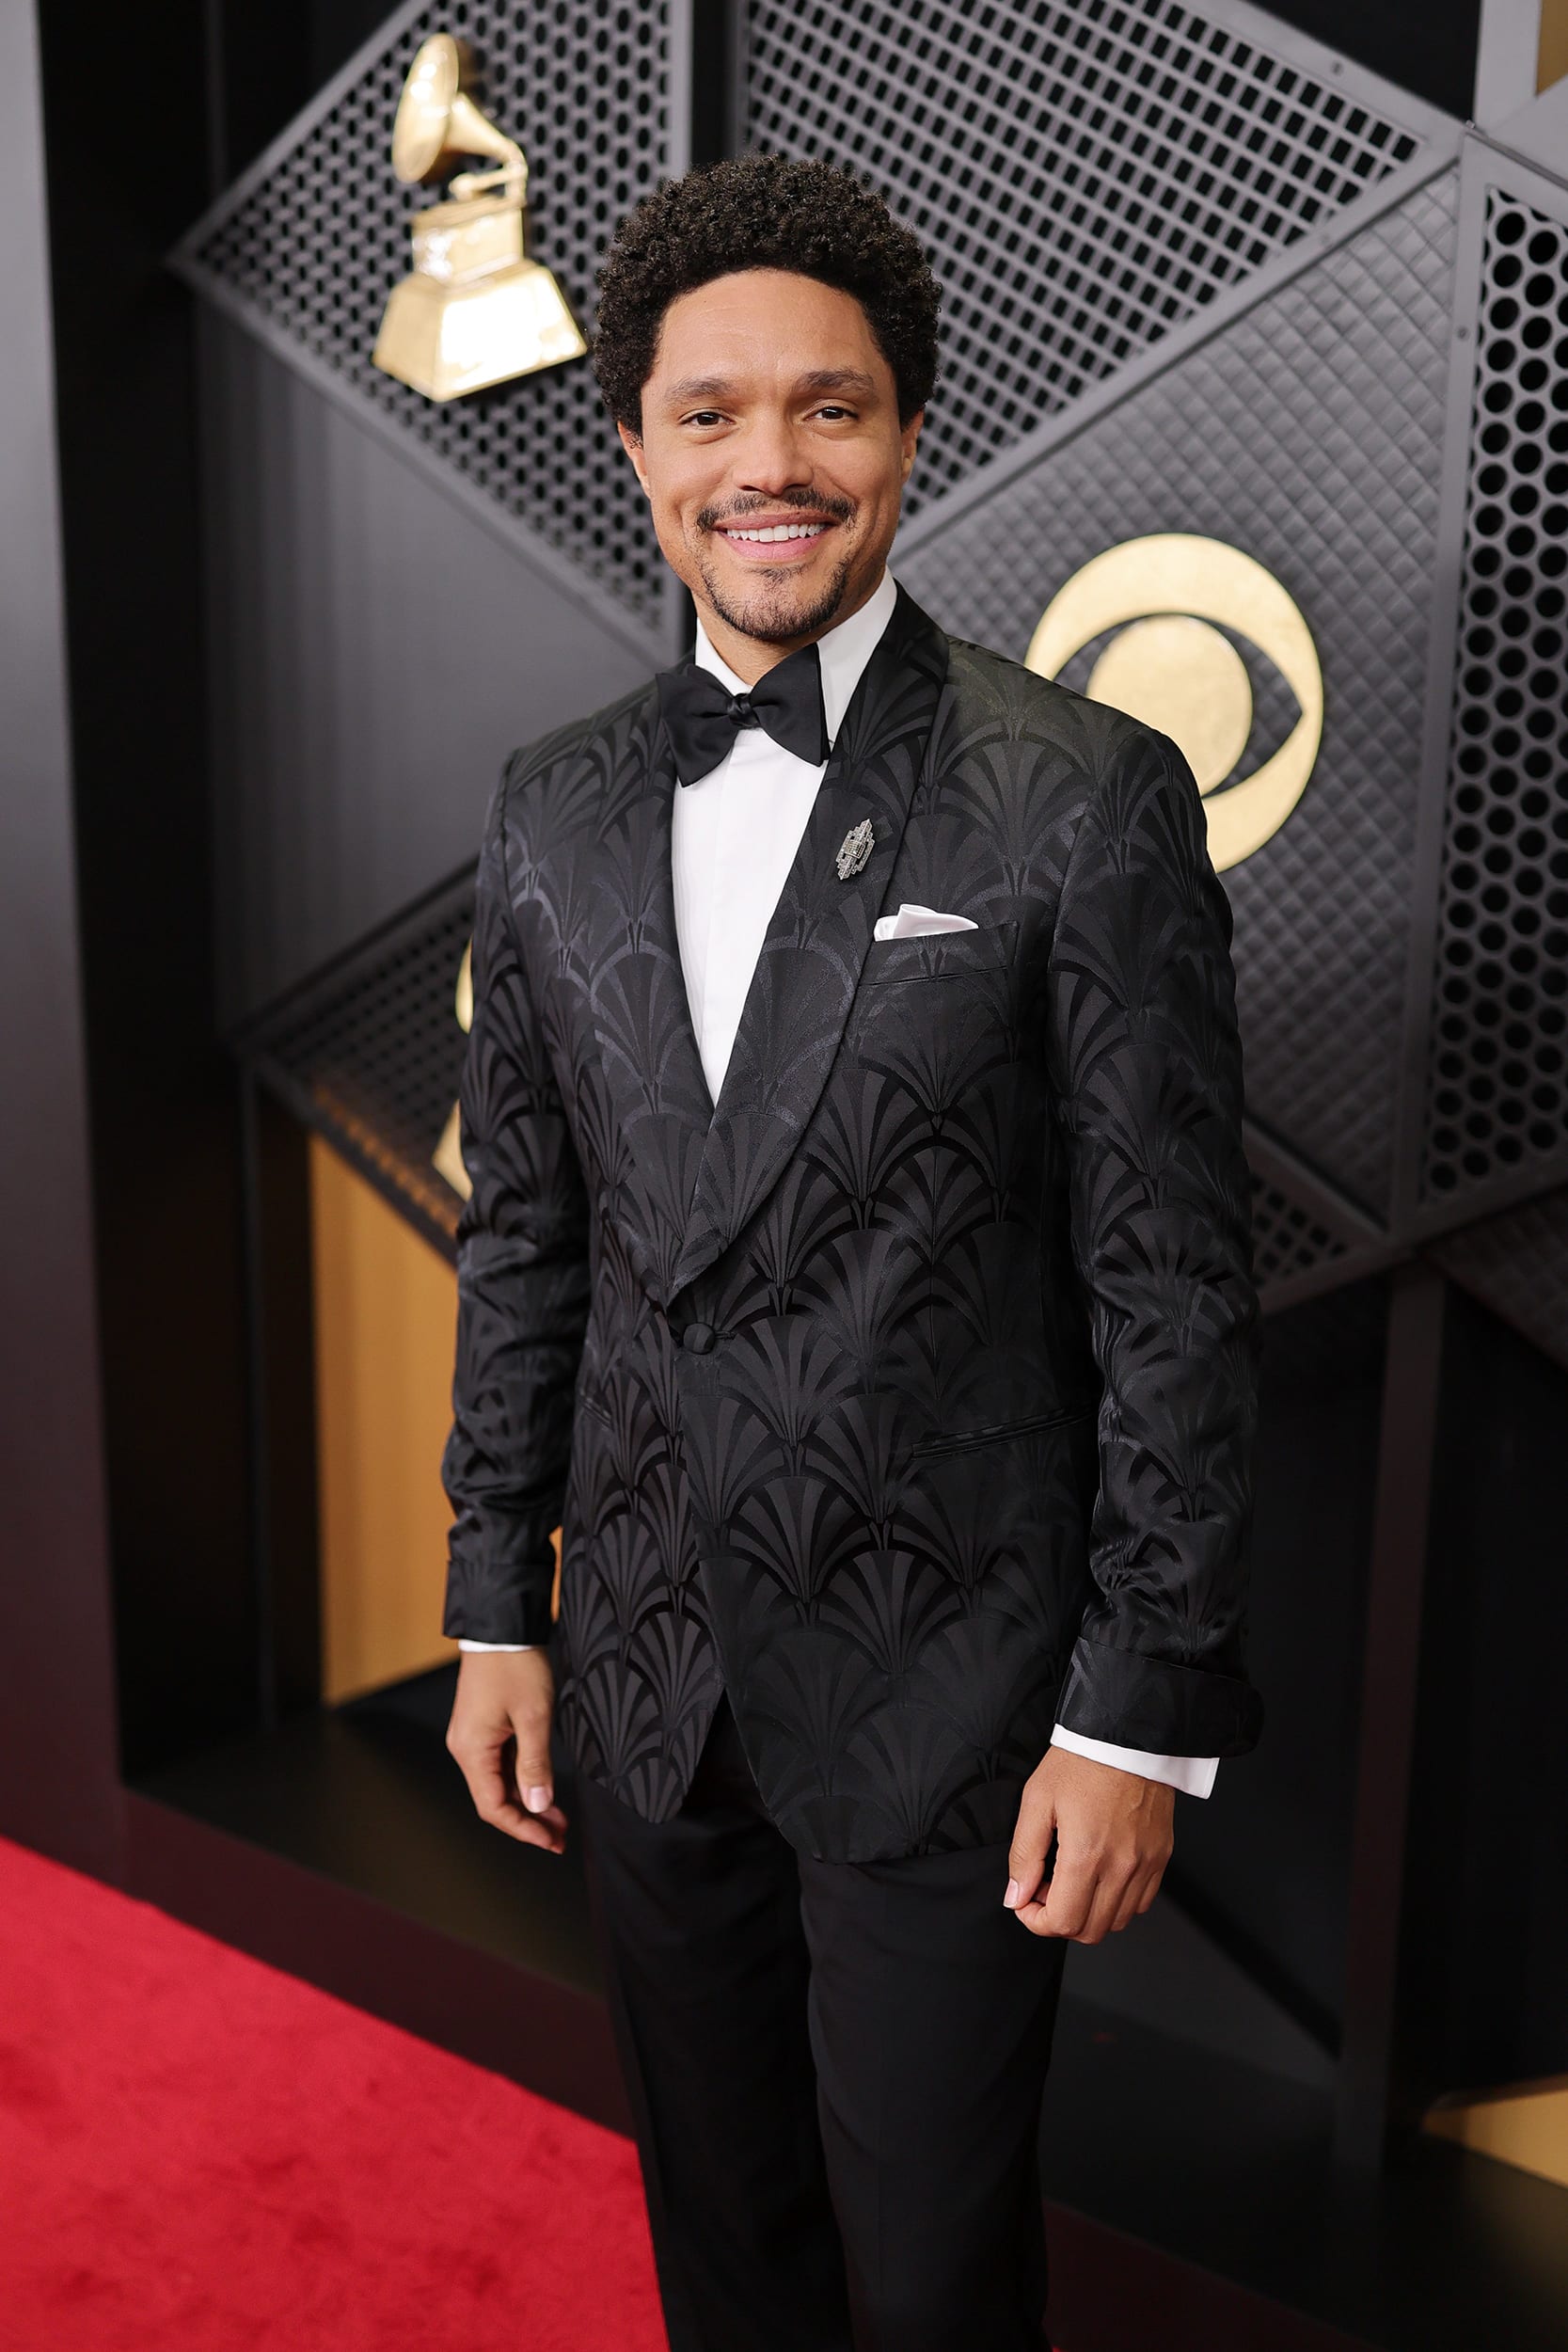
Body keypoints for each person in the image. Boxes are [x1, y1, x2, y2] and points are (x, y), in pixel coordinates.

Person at [441, 151, 1262, 2352]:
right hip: (634, 1662)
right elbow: (527, 1225)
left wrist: (1140, 1711)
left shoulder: (1081, 789)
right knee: (726, 2241)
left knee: (931, 2283)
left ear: (907, 433)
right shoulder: (551, 801)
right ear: (635, 448)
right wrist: (486, 1600)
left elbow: (1174, 1277)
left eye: (828, 408)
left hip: (954, 1683)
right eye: (708, 415)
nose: (767, 465)